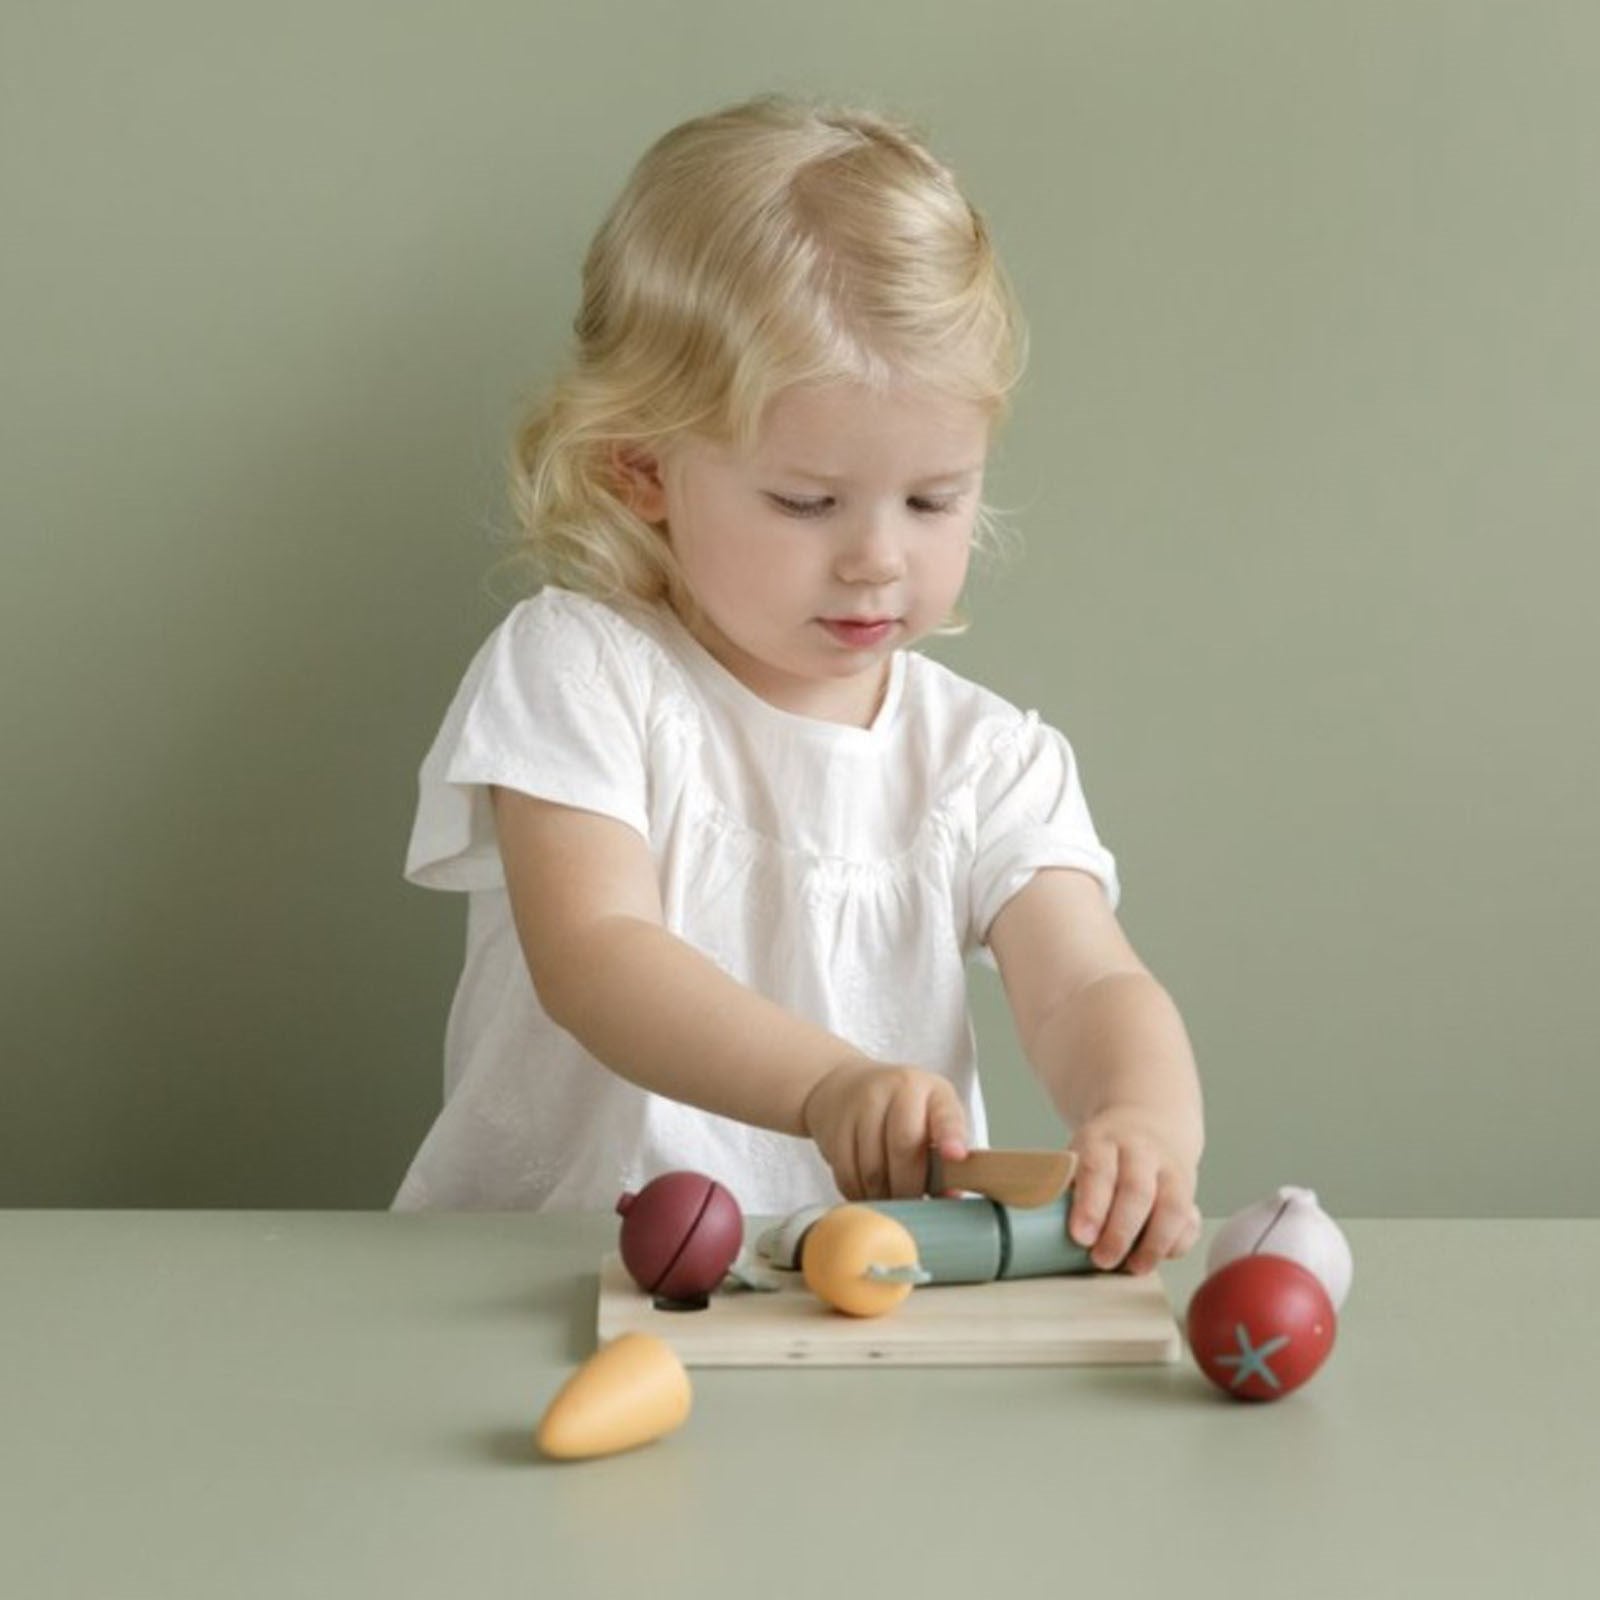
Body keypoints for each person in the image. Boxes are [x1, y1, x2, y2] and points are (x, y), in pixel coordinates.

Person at [394, 92, 1205, 1276]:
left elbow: (1086, 981)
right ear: (644, 470)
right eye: (806, 502)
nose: (878, 555)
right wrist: (826, 1084)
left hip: (855, 1302)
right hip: (540, 1280)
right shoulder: (578, 668)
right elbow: (598, 950)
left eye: (933, 499)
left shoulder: (983, 760)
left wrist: (1143, 1123)